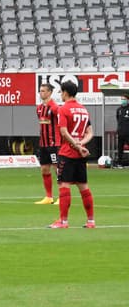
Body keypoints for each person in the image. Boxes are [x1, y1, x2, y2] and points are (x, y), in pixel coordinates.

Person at [50, 80, 96, 229]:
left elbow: (64, 132)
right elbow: (90, 132)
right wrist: (82, 144)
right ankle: (91, 221)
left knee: (64, 185)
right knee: (84, 187)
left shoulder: (63, 110)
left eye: (61, 92)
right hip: (80, 155)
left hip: (67, 153)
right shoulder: (83, 110)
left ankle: (63, 221)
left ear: (64, 92)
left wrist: (75, 145)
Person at [35, 83, 62, 205]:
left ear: (50, 92)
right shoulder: (39, 108)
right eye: (40, 91)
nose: (41, 93)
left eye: (44, 91)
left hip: (54, 143)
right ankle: (49, 196)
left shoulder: (55, 108)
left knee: (58, 169)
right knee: (44, 169)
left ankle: (62, 196)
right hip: (43, 143)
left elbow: (61, 124)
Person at [117, 95, 129, 167]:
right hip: (121, 133)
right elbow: (118, 119)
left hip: (128, 133)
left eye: (124, 99)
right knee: (120, 149)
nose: (123, 100)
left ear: (128, 100)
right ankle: (119, 163)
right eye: (122, 99)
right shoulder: (119, 109)